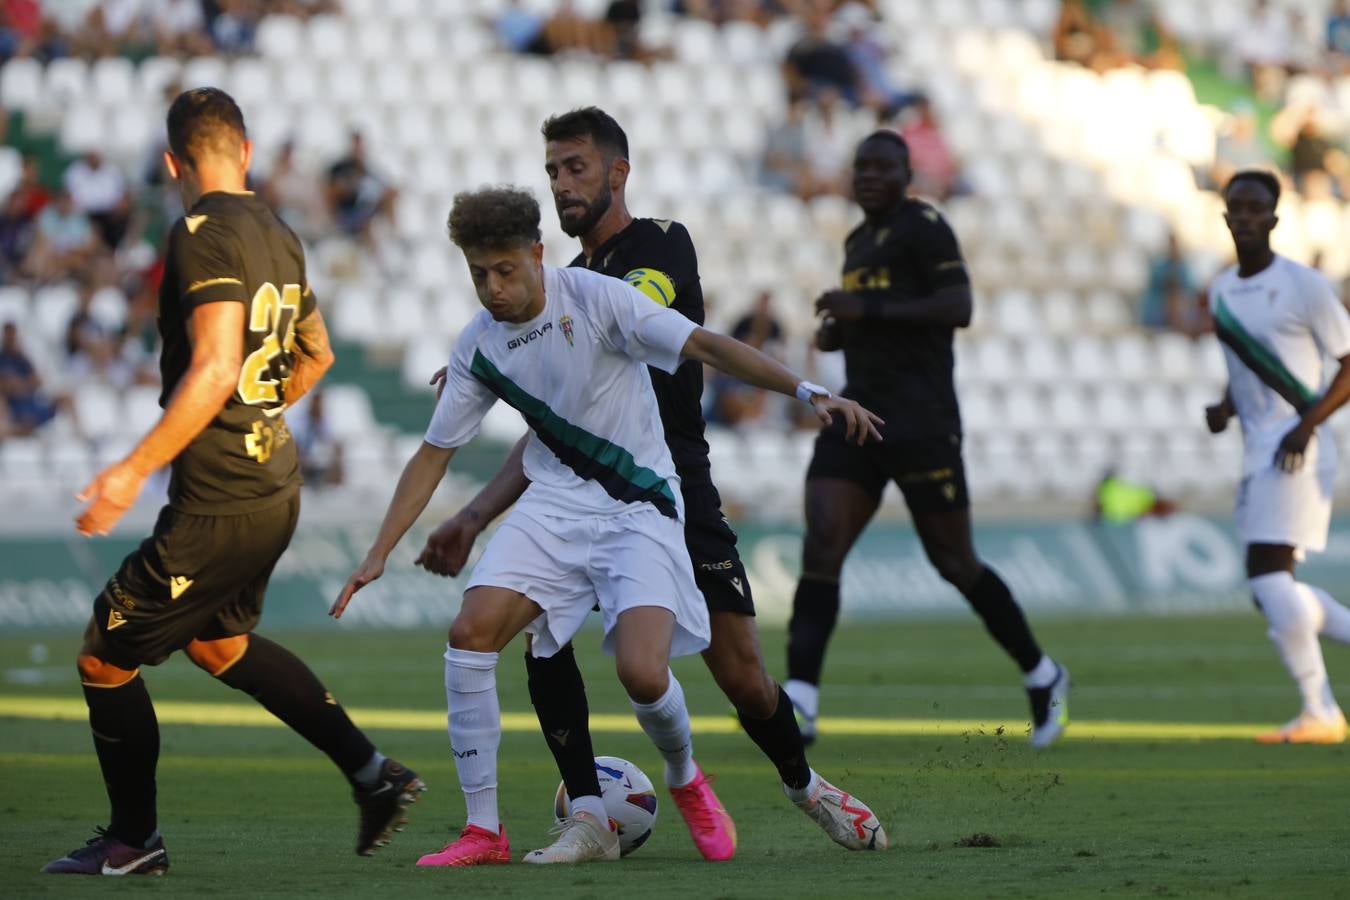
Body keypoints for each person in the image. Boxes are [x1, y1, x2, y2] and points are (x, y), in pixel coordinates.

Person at [333, 184, 883, 867]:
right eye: (479, 274)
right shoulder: (477, 346)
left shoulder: (597, 298)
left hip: (638, 503)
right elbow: (431, 455)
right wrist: (378, 551)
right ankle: (486, 830)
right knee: (470, 634)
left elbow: (707, 345)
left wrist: (809, 391)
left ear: (537, 255)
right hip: (554, 506)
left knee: (643, 674)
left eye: (505, 270)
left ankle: (685, 778)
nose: (493, 288)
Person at [42, 88, 424, 878]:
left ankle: (131, 841)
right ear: (245, 153)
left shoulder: (200, 233)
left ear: (173, 160)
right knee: (218, 644)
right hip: (274, 480)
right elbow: (313, 354)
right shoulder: (278, 234)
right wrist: (256, 415)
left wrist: (128, 471)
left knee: (102, 656)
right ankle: (372, 774)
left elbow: (218, 364)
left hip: (219, 498)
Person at [785, 131, 1070, 749]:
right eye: (861, 165)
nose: (868, 175)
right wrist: (841, 333)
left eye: (883, 166)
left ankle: (1043, 673)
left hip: (921, 419)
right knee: (823, 542)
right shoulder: (858, 241)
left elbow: (958, 306)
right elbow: (872, 321)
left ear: (907, 174)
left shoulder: (925, 226)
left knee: (954, 561)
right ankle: (800, 700)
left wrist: (867, 311)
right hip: (859, 413)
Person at [1205, 169, 1350, 744]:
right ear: (1224, 216)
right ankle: (1319, 709)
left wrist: (1305, 425)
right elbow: (1247, 367)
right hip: (1258, 444)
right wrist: (1225, 407)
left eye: (1255, 208)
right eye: (1235, 207)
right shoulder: (1220, 290)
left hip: (1298, 446)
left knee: (1268, 575)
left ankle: (1320, 711)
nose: (1244, 217)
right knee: (1273, 582)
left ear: (1274, 218)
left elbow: (1349, 361)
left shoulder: (1303, 285)